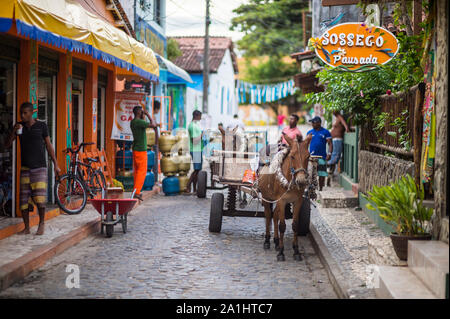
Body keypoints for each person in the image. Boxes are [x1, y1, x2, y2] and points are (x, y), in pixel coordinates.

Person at [5, 102, 61, 235]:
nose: (22, 116)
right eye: (21, 113)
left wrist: (56, 164)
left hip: (40, 168)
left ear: (31, 113)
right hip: (25, 168)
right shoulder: (19, 126)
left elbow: (48, 146)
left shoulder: (42, 126)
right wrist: (14, 131)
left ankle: (41, 223)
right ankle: (27, 228)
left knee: (40, 199)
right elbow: (7, 145)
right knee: (23, 200)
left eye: (25, 113)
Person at [130, 105, 157, 201]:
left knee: (137, 172)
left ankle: (135, 191)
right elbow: (154, 125)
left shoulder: (133, 122)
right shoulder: (139, 122)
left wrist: (143, 114)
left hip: (136, 149)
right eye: (141, 112)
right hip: (141, 150)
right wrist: (148, 114)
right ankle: (136, 192)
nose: (143, 113)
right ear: (138, 112)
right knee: (142, 171)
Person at [307, 116, 333, 191]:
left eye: (313, 122)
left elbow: (330, 144)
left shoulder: (326, 132)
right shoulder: (309, 133)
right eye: (312, 122)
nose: (312, 124)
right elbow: (306, 144)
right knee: (311, 173)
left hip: (322, 156)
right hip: (311, 157)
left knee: (321, 174)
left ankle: (321, 189)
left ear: (319, 123)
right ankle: (312, 190)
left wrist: (329, 153)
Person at [327, 111, 350, 186]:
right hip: (333, 140)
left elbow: (344, 124)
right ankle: (330, 173)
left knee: (335, 156)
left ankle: (329, 170)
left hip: (337, 139)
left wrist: (347, 128)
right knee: (333, 155)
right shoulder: (336, 118)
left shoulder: (340, 117)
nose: (332, 111)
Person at [185, 110, 203, 194]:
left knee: (198, 170)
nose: (201, 118)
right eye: (200, 116)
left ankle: (194, 189)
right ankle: (188, 186)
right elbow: (194, 140)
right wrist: (202, 135)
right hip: (195, 150)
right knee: (196, 170)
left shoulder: (195, 125)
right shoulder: (192, 126)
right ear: (196, 116)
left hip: (198, 149)